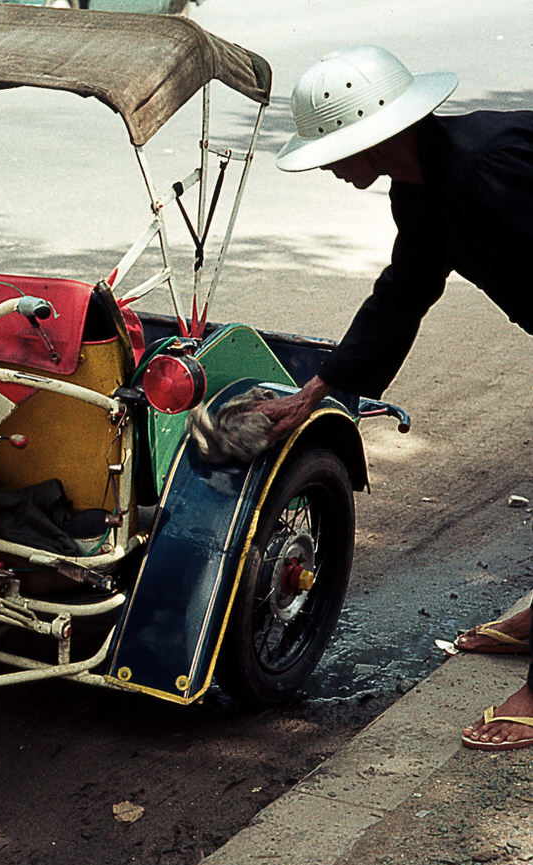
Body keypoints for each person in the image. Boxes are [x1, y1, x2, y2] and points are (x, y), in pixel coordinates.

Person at [261, 45, 533, 751]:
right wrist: (318, 389)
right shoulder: (419, 187)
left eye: (337, 146)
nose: (327, 163)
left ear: (386, 133)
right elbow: (405, 292)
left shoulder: (485, 169)